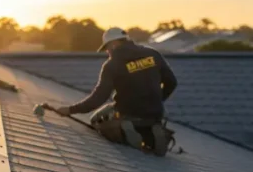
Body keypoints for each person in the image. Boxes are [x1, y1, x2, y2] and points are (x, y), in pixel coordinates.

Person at [55, 27, 178, 156]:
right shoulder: (152, 54)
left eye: (107, 48)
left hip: (129, 113)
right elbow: (172, 82)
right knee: (143, 119)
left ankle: (124, 132)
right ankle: (152, 134)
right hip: (155, 113)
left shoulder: (112, 65)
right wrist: (157, 101)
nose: (107, 52)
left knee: (96, 120)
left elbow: (98, 98)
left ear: (114, 44)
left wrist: (70, 110)